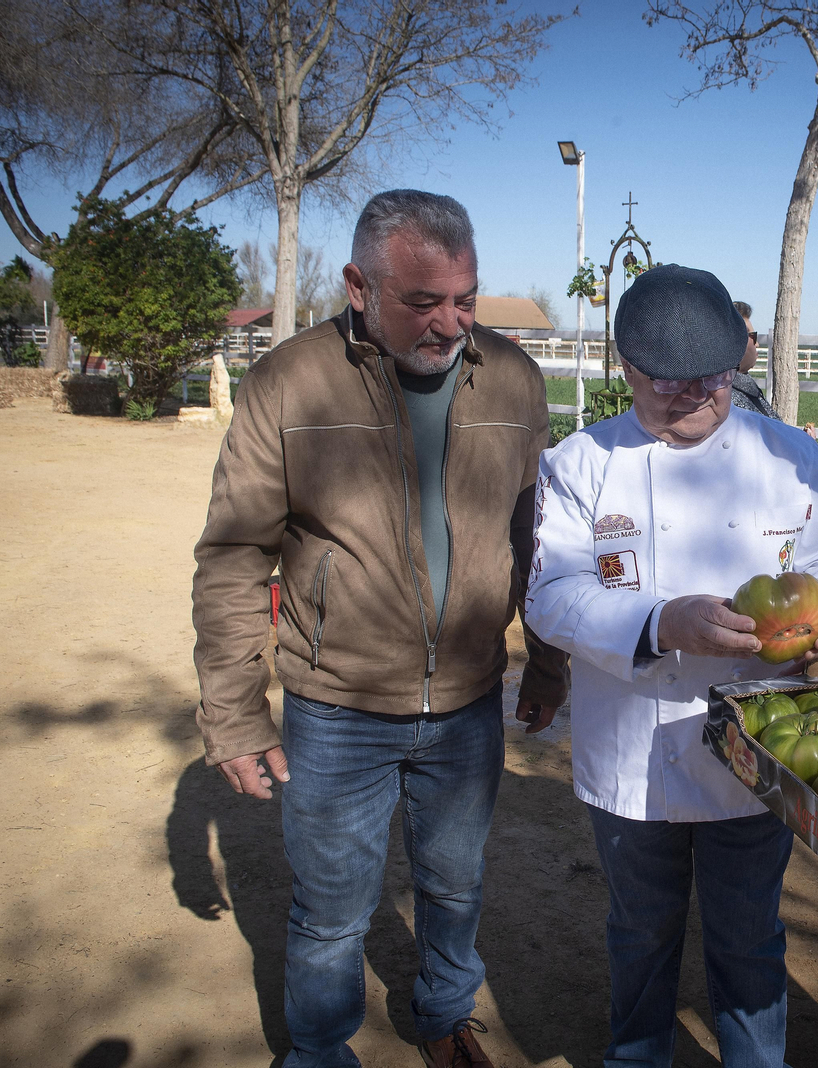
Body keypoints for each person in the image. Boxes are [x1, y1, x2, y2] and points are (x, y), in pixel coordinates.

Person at [191, 189, 569, 1068]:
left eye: (465, 299)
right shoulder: (288, 382)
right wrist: (237, 714)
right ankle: (319, 1051)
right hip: (336, 708)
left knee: (456, 888)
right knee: (330, 913)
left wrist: (545, 666)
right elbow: (233, 556)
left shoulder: (512, 378)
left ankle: (443, 1017)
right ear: (360, 285)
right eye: (424, 302)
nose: (452, 324)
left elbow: (542, 539)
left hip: (470, 702)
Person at [526, 264, 818, 1068]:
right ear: (625, 368)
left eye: (710, 381)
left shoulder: (786, 454)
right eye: (663, 382)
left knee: (750, 937)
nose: (690, 398)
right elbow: (549, 597)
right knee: (640, 933)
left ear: (737, 364)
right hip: (631, 757)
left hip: (758, 753)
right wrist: (661, 621)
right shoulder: (580, 463)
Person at [730, 300, 777, 418]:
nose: (757, 345)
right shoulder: (729, 398)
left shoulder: (743, 385)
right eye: (753, 337)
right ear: (736, 341)